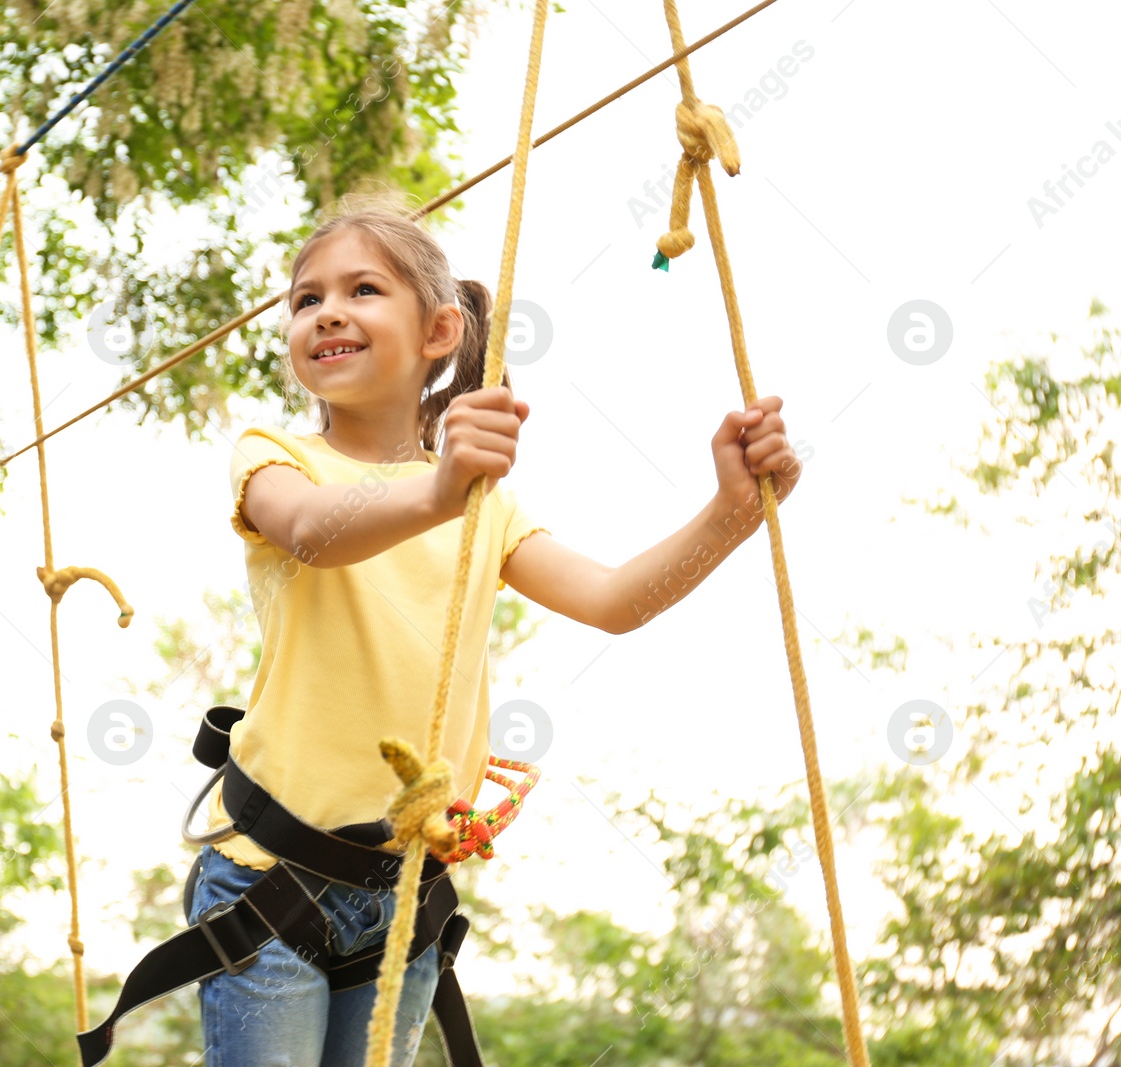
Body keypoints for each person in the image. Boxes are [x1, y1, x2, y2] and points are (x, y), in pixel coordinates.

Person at [188, 200, 802, 1066]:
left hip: (401, 892)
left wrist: (727, 515)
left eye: (362, 289)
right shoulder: (275, 458)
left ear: (439, 329)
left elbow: (616, 600)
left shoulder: (486, 507)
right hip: (270, 876)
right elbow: (311, 532)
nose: (324, 311)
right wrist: (438, 489)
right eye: (304, 299)